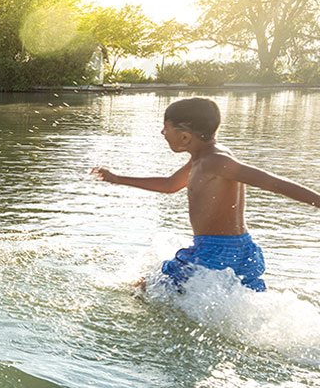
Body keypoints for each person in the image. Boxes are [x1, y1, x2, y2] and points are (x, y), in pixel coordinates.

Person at [92, 97, 320, 292]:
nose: (162, 133)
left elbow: (274, 183)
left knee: (141, 289)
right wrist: (118, 179)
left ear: (185, 137)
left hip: (215, 251)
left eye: (166, 127)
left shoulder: (215, 161)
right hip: (244, 250)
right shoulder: (203, 158)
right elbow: (170, 184)